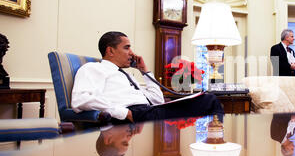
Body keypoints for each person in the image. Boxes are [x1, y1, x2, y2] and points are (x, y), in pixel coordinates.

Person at [72, 31, 224, 123]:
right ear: (110, 51)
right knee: (208, 101)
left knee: (208, 98)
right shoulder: (93, 68)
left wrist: (144, 71)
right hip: (135, 114)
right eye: (126, 47)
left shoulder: (125, 75)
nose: (132, 52)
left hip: (149, 110)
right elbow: (81, 99)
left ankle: (216, 140)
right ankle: (217, 141)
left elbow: (157, 100)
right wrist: (125, 113)